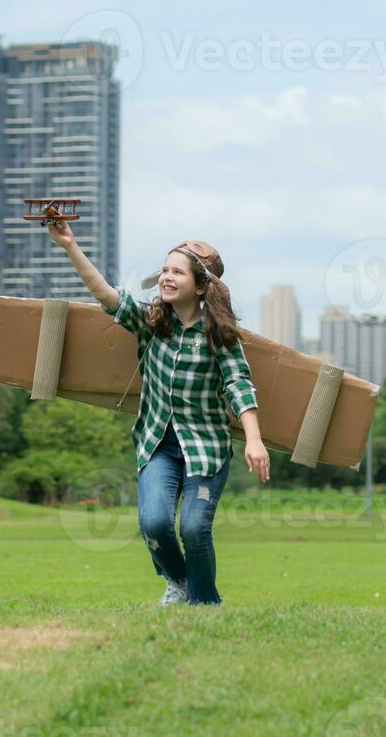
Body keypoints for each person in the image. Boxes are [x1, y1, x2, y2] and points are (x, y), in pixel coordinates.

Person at [49, 220, 270, 605]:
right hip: (158, 446)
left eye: (177, 272)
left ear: (200, 286)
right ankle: (180, 581)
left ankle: (205, 606)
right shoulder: (152, 324)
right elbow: (105, 293)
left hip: (206, 449)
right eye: (165, 270)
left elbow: (239, 385)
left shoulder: (219, 335)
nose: (166, 278)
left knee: (195, 527)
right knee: (153, 523)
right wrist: (70, 245)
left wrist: (254, 440)